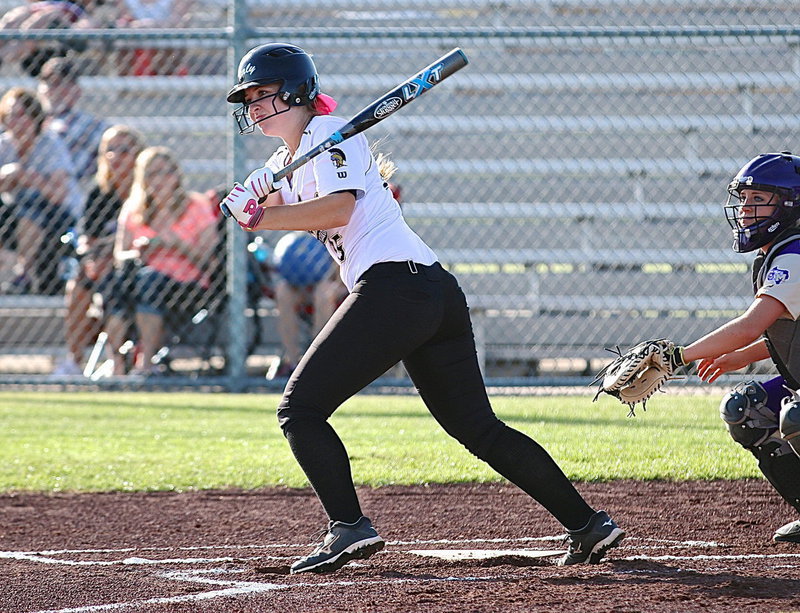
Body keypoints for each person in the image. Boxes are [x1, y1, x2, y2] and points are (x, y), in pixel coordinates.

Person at [220, 42, 625, 573]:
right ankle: (588, 525)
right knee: (477, 428)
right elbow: (275, 200)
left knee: (299, 410)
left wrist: (259, 217)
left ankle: (348, 527)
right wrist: (250, 197)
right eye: (247, 98)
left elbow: (339, 208)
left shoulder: (328, 133)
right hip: (429, 291)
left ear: (295, 91)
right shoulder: (289, 159)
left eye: (262, 94)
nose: (252, 106)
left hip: (396, 288)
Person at [658, 152, 800, 545]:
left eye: (759, 200)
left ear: (791, 203)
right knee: (746, 411)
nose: (745, 210)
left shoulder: (796, 254)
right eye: (744, 200)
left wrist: (679, 356)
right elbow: (789, 335)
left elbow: (750, 324)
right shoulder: (782, 251)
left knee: (798, 416)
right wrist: (739, 357)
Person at [104, 146, 217, 375]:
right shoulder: (134, 209)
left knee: (150, 280)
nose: (160, 180)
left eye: (166, 173)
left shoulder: (196, 206)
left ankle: (145, 364)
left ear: (177, 176)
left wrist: (177, 245)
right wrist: (139, 251)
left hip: (185, 286)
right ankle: (116, 366)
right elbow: (120, 255)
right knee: (113, 284)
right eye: (152, 174)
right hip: (139, 278)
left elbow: (210, 262)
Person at [53, 124, 145, 376]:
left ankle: (118, 361)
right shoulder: (100, 193)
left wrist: (111, 250)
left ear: (138, 155)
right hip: (102, 264)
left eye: (124, 150)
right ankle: (74, 360)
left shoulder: (148, 191)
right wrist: (94, 254)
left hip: (140, 262)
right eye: (110, 150)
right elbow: (87, 238)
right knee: (77, 285)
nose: (115, 156)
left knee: (109, 275)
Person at [0, 87, 83, 295]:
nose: (16, 122)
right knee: (23, 204)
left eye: (22, 115)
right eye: (11, 116)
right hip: (13, 216)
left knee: (30, 200)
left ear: (35, 118)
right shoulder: (3, 145)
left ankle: (23, 273)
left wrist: (26, 177)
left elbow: (58, 195)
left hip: (57, 216)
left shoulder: (49, 144)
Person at [269, 230, 348, 379]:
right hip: (302, 285)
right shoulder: (300, 225)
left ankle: (317, 360)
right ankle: (292, 363)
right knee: (283, 292)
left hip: (335, 283)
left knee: (322, 294)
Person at [38, 57, 108, 185]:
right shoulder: (26, 121)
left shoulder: (94, 125)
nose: (52, 90)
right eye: (47, 82)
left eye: (59, 83)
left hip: (78, 188)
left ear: (77, 90)